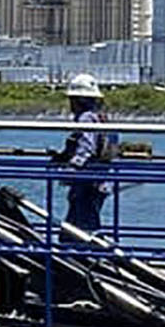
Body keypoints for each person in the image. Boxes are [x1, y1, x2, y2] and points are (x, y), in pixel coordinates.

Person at [53, 73, 117, 233]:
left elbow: (87, 147)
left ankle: (86, 254)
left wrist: (71, 169)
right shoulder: (101, 118)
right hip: (100, 179)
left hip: (88, 181)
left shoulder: (86, 118)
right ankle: (87, 252)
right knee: (84, 224)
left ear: (79, 100)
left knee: (80, 228)